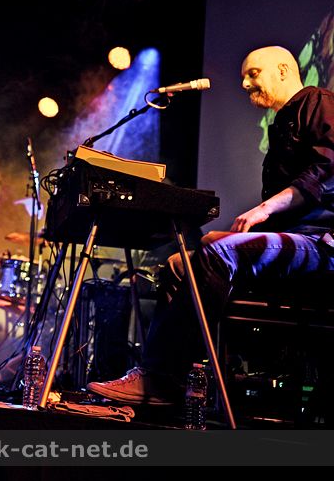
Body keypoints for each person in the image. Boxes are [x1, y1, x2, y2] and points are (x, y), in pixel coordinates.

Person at [88, 45, 334, 404]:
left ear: (283, 70)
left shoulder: (318, 101)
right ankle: (169, 384)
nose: (245, 84)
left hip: (320, 244)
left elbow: (327, 171)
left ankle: (160, 377)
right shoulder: (281, 125)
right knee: (179, 265)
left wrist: (262, 211)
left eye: (253, 74)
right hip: (292, 242)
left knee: (218, 252)